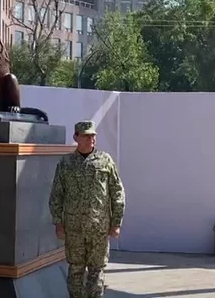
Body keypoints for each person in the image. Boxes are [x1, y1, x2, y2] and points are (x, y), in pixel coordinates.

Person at [48, 120, 125, 298]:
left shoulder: (105, 161)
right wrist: (58, 223)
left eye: (93, 135)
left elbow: (117, 192)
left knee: (97, 270)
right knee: (75, 269)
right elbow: (56, 194)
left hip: (99, 227)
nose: (91, 139)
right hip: (74, 228)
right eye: (86, 135)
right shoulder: (66, 163)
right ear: (76, 137)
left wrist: (116, 222)